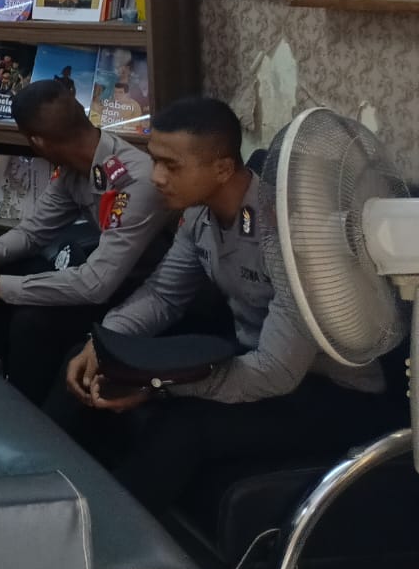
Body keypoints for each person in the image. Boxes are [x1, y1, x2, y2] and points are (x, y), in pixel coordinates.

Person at [48, 96, 395, 514]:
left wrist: (155, 386)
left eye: (171, 166)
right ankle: (41, 493)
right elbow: (163, 295)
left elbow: (275, 373)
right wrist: (106, 341)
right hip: (256, 356)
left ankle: (103, 531)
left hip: (330, 392)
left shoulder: (293, 239)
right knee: (89, 359)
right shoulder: (198, 216)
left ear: (223, 168)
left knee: (183, 427)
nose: (156, 177)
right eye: (154, 160)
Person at [0, 77, 173, 403]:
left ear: (37, 142)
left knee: (32, 318)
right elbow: (33, 232)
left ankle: (21, 411)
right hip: (106, 271)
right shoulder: (75, 168)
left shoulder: (135, 179)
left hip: (145, 287)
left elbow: (96, 284)